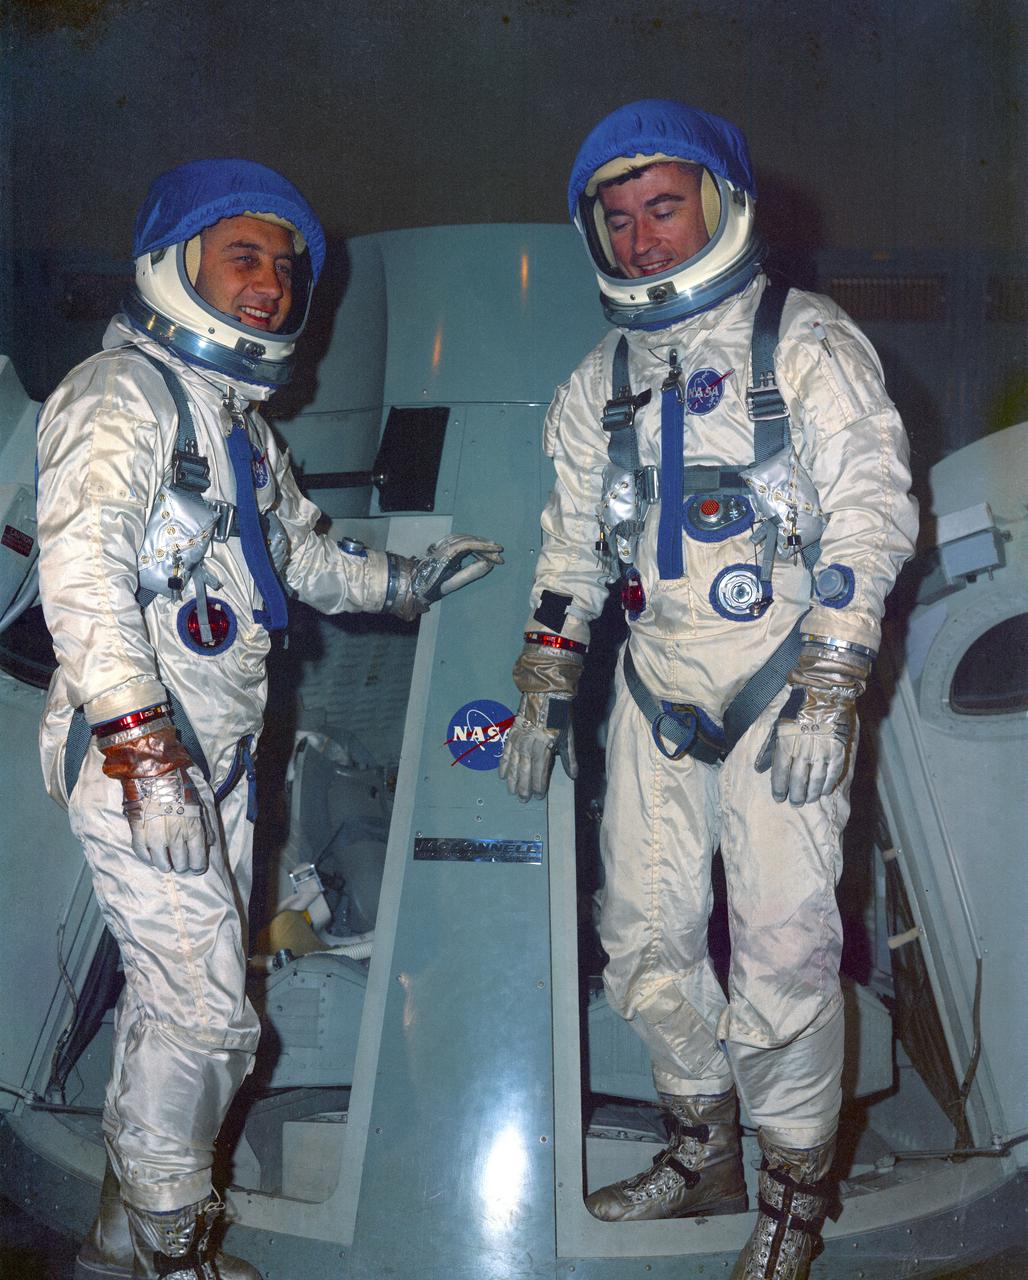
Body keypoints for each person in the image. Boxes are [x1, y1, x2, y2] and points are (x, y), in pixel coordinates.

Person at [36, 159, 502, 1280]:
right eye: (243, 257)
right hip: (143, 756)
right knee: (204, 1015)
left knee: (179, 1001)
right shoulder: (120, 397)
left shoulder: (229, 421)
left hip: (211, 760)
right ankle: (169, 1250)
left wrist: (405, 582)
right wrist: (146, 754)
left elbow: (291, 551)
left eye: (286, 268)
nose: (271, 286)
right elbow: (84, 581)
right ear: (175, 263)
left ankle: (118, 1234)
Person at [498, 100, 917, 1279]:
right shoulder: (600, 381)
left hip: (780, 689)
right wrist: (542, 677)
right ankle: (702, 1144)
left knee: (783, 950)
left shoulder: (805, 345)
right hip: (653, 693)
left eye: (662, 208)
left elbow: (870, 511)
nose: (641, 241)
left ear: (721, 204)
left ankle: (791, 1191)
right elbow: (570, 545)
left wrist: (833, 675)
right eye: (619, 221)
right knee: (640, 934)